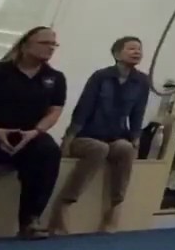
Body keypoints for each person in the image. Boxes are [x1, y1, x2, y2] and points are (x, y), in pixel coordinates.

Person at [0, 26, 66, 239]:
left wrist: (36, 132)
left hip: (25, 136)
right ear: (25, 44)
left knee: (48, 150)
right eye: (44, 43)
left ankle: (30, 220)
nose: (50, 48)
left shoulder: (54, 78)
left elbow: (55, 111)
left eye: (53, 44)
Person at [48, 36, 150, 234]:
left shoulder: (142, 81)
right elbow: (83, 108)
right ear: (117, 54)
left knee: (125, 148)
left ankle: (115, 207)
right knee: (99, 148)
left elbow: (138, 112)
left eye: (139, 49)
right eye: (131, 48)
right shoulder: (101, 77)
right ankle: (64, 204)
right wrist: (68, 140)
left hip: (116, 136)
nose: (137, 52)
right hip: (87, 136)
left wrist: (136, 137)